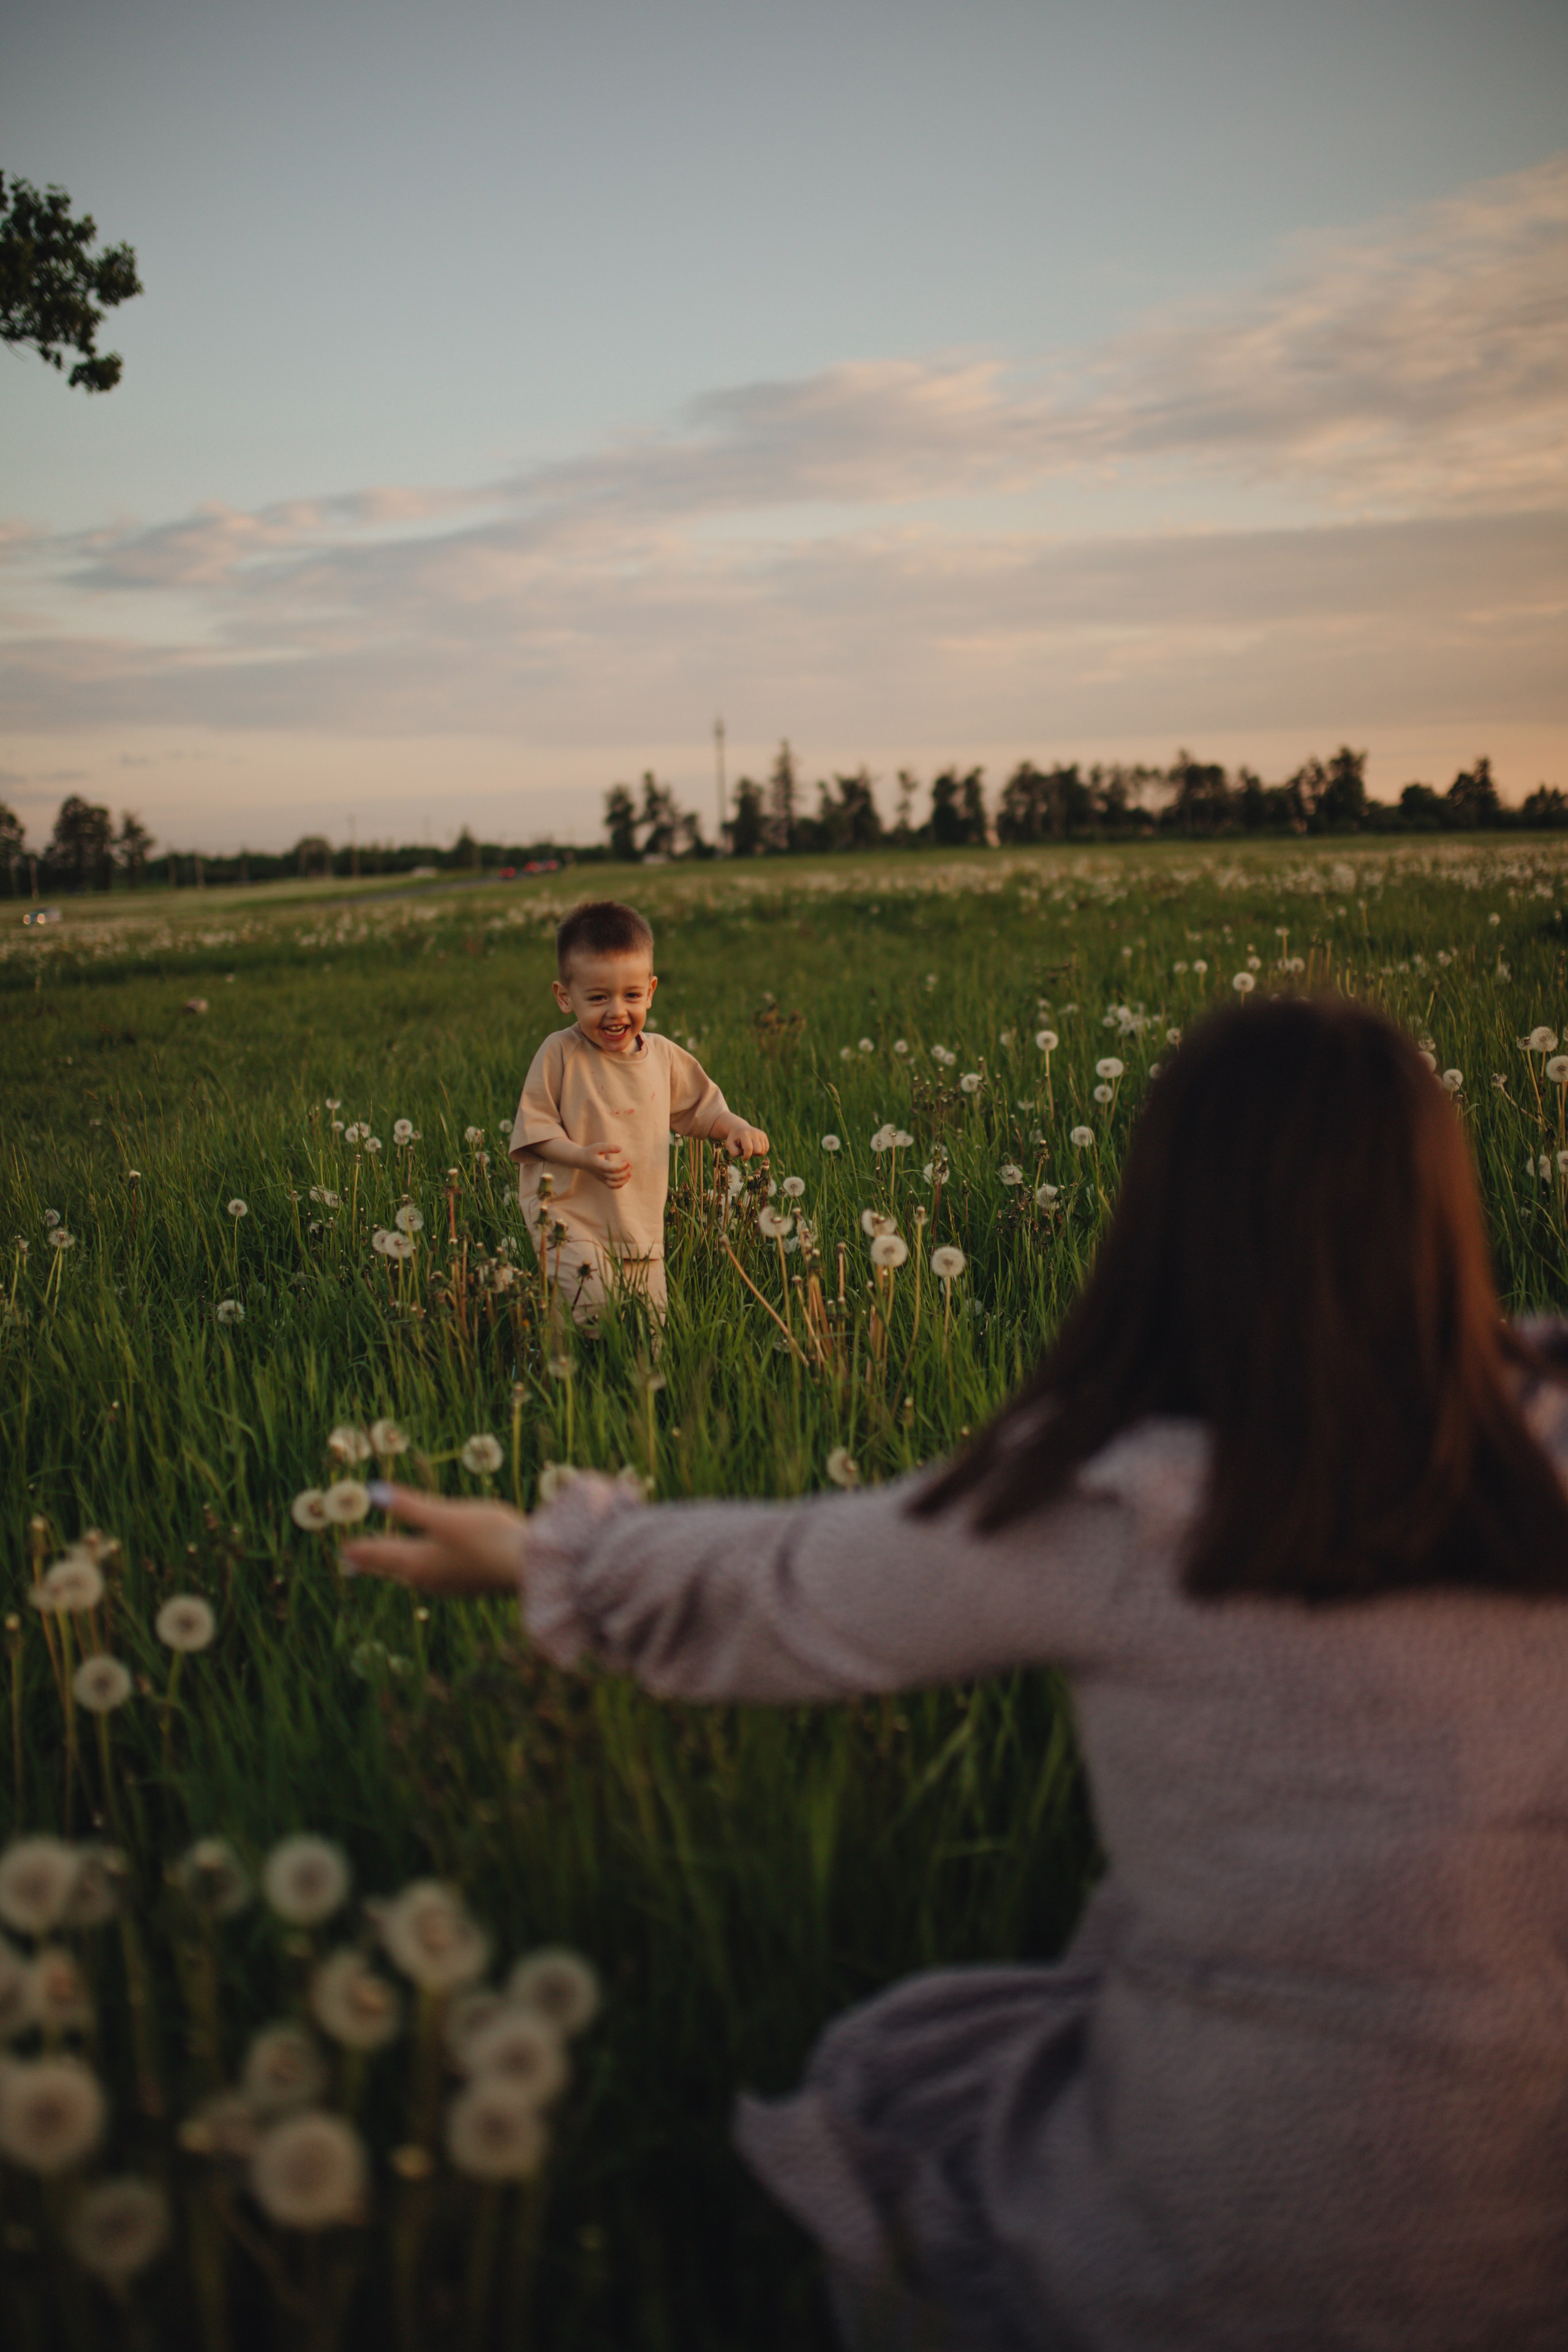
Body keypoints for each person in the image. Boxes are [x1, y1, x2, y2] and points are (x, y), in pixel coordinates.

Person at [345, 997, 1568, 2351]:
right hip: (1529, 2226)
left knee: (903, 2087)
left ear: (1162, 1218)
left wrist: (538, 1556)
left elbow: (781, 1581)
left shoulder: (1120, 1509)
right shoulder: (1543, 1461)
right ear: (1442, 1213)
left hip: (1204, 2231)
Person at [512, 899, 768, 1323]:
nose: (616, 1011)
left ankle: (600, 1374)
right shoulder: (560, 1054)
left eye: (631, 995)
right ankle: (556, 1378)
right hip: (567, 1215)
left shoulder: (663, 1057)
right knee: (594, 1309)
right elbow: (534, 1130)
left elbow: (702, 1109)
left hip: (639, 1227)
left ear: (650, 991)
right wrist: (581, 1157)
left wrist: (735, 1127)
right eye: (597, 997)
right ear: (564, 997)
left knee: (653, 1327)